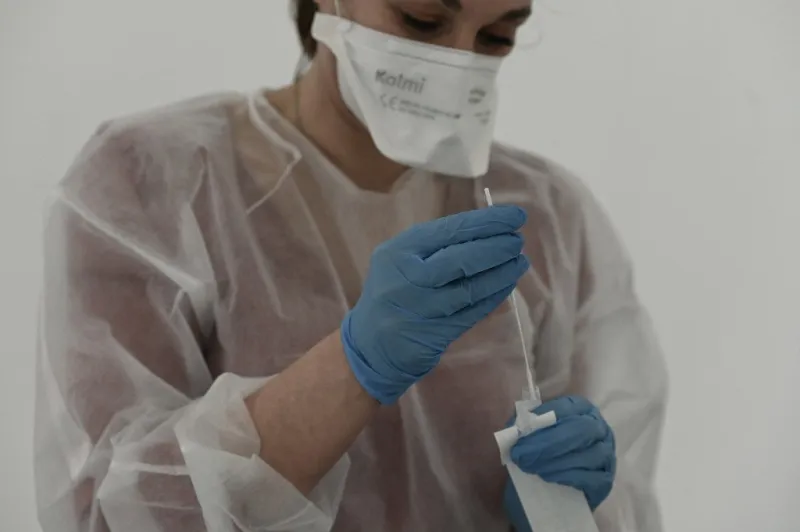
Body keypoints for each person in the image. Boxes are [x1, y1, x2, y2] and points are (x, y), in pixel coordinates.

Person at [33, 0, 668, 530]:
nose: (459, 58)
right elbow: (107, 514)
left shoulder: (549, 216)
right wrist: (351, 368)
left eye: (499, 35)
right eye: (422, 20)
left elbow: (625, 498)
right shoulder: (149, 188)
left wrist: (568, 509)